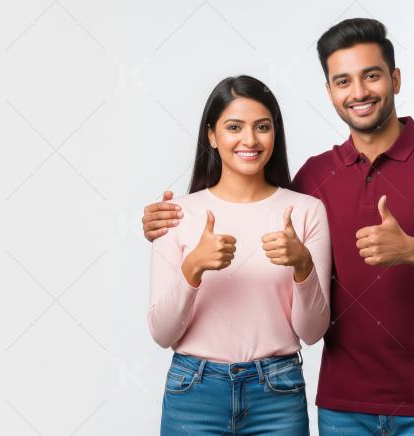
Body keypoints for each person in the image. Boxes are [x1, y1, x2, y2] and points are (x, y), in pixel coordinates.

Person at [143, 18, 414, 436]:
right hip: (343, 409)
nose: (359, 92)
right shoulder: (314, 180)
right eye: (343, 81)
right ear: (330, 91)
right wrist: (165, 227)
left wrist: (412, 250)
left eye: (371, 75)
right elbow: (253, 208)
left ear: (395, 79)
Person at [149, 74, 332, 435]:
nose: (250, 140)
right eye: (234, 127)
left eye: (262, 127)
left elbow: (311, 333)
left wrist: (303, 266)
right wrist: (192, 268)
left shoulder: (306, 211)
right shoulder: (177, 215)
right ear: (212, 135)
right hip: (194, 391)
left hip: (277, 392)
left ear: (275, 133)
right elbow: (162, 333)